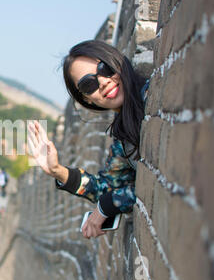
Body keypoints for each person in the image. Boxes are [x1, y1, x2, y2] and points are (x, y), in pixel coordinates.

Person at [27, 40, 149, 240]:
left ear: (117, 61)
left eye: (105, 68)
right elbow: (108, 189)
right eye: (88, 84)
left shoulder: (154, 98)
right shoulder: (123, 133)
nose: (103, 82)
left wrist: (107, 205)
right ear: (86, 99)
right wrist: (57, 171)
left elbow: (158, 179)